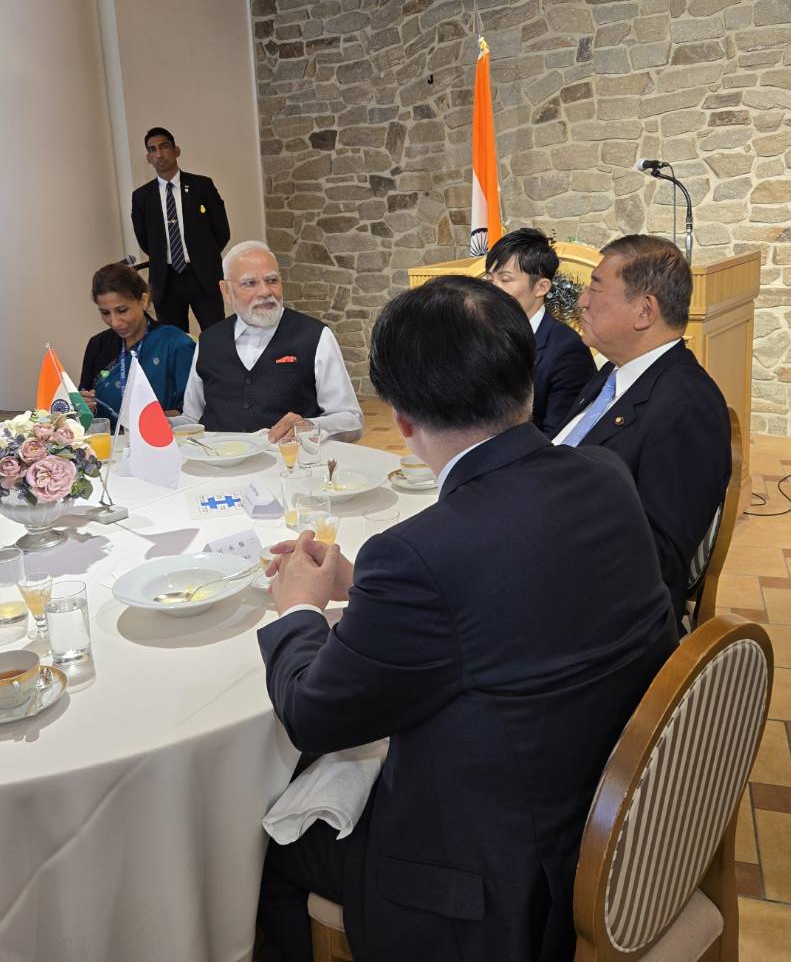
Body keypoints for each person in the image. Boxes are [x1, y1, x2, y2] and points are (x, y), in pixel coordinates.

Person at [255, 276, 678, 962]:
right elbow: (510, 601)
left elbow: (313, 713)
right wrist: (359, 584)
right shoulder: (603, 474)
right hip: (615, 817)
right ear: (528, 386)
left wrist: (297, 609)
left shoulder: (421, 554)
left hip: (493, 890)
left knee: (266, 844)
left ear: (401, 418)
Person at [554, 235, 731, 627]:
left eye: (596, 287)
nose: (581, 301)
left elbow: (656, 560)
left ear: (644, 311)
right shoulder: (615, 374)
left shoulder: (686, 407)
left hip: (592, 612)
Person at [179, 240, 362, 441]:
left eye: (272, 280)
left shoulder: (315, 336)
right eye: (250, 283)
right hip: (219, 467)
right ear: (226, 291)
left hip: (290, 466)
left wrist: (311, 426)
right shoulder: (208, 341)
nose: (265, 292)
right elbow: (191, 419)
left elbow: (352, 420)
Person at [483, 227, 595, 435]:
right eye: (489, 280)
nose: (492, 290)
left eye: (505, 280)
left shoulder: (566, 348)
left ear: (541, 287)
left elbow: (560, 437)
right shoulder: (482, 335)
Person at [129, 126, 230, 332]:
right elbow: (145, 241)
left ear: (176, 150)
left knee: (217, 335)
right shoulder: (142, 197)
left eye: (164, 146)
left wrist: (204, 256)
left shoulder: (202, 186)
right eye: (152, 149)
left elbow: (221, 231)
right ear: (148, 157)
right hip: (166, 281)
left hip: (202, 276)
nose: (159, 154)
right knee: (173, 341)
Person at [78, 261, 194, 421]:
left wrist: (147, 421)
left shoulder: (175, 343)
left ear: (143, 300)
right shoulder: (98, 345)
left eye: (122, 310)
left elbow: (193, 414)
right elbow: (83, 406)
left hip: (164, 441)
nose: (115, 322)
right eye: (105, 313)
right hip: (109, 443)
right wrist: (82, 406)